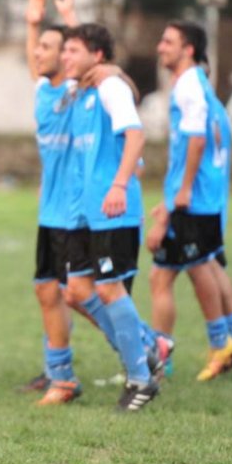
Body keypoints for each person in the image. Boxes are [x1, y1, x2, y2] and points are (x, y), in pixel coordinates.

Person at [146, 21, 232, 381]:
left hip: (195, 200)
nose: (160, 47)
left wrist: (181, 192)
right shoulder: (200, 88)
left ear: (188, 48)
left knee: (197, 267)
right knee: (182, 272)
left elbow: (195, 142)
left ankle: (218, 342)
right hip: (200, 198)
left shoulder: (190, 86)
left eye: (167, 41)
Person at [61, 23, 159, 411]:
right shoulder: (81, 92)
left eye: (73, 50)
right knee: (76, 291)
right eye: (64, 49)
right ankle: (146, 349)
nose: (65, 56)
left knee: (109, 288)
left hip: (113, 208)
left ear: (98, 56)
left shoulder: (110, 86)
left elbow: (136, 137)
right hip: (86, 212)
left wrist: (118, 186)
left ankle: (140, 377)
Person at [20, 0, 82, 405]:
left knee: (83, 298)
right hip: (50, 213)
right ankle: (60, 375)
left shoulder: (78, 92)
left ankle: (148, 346)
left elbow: (91, 59)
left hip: (77, 214)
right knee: (47, 291)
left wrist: (72, 19)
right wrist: (33, 22)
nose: (38, 53)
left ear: (68, 54)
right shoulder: (43, 90)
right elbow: (34, 62)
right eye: (38, 46)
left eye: (47, 47)